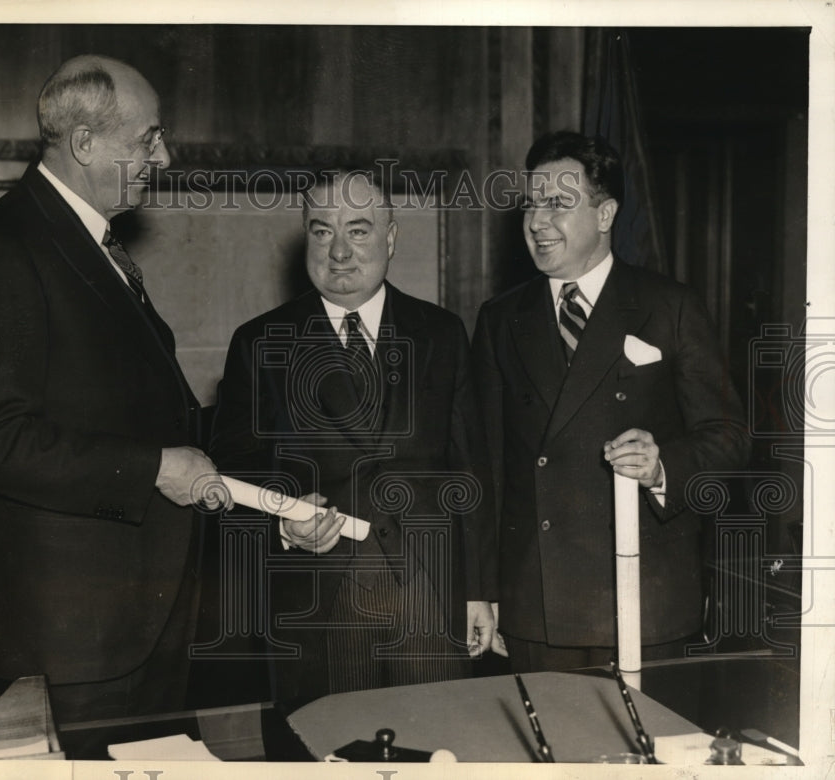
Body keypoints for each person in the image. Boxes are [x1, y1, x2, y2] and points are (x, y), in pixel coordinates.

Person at [0, 55, 229, 721]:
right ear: (84, 143)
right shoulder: (5, 246)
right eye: (148, 137)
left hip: (128, 622)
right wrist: (157, 467)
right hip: (70, 639)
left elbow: (139, 411)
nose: (164, 156)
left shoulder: (86, 239)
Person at [210, 171, 498, 707]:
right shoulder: (259, 341)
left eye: (358, 231)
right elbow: (231, 469)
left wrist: (480, 590)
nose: (339, 251)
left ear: (390, 238)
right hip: (316, 602)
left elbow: (469, 468)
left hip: (428, 595)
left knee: (435, 751)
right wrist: (283, 518)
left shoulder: (441, 333)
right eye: (322, 232)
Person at [472, 131, 750, 673]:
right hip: (536, 606)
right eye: (531, 203)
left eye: (558, 203)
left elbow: (729, 434)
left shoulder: (669, 306)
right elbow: (486, 467)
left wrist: (663, 464)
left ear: (606, 215)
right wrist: (481, 591)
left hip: (641, 599)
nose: (536, 221)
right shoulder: (500, 319)